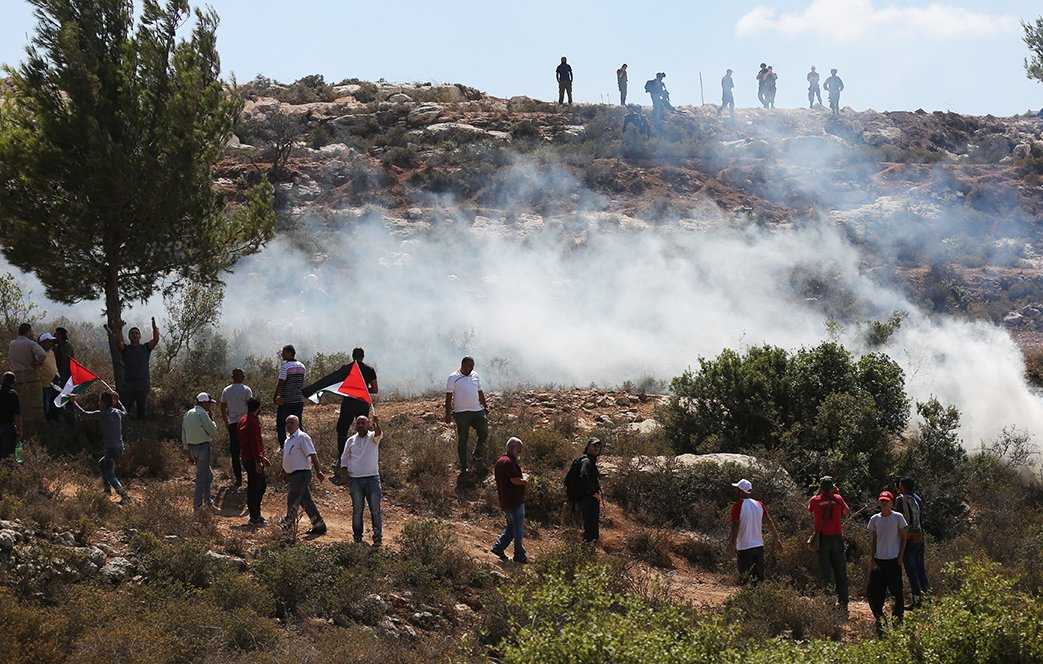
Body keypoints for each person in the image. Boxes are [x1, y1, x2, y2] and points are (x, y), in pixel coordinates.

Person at [303, 347, 378, 461]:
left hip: (348, 404)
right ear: (363, 356)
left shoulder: (346, 369)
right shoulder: (370, 370)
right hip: (362, 403)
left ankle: (342, 458)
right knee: (363, 430)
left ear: (352, 356)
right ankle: (363, 456)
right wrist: (363, 390)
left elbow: (335, 380)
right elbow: (375, 389)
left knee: (342, 431)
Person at [71, 392, 129, 501]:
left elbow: (84, 414)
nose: (98, 403)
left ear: (102, 403)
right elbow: (125, 412)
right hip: (119, 447)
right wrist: (119, 402)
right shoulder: (118, 412)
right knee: (102, 464)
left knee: (110, 473)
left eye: (100, 401)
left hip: (111, 449)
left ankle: (124, 495)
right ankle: (107, 490)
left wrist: (74, 402)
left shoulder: (102, 414)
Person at [867, 490, 907, 636]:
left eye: (886, 501)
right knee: (873, 593)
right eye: (882, 501)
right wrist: (872, 560)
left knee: (897, 594)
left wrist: (900, 557)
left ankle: (897, 626)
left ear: (891, 502)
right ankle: (881, 624)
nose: (884, 503)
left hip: (893, 561)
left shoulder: (898, 518)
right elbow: (874, 541)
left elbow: (904, 538)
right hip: (879, 561)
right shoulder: (875, 519)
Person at [339, 414, 383, 545]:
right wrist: (345, 474)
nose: (360, 425)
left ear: (368, 424)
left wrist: (376, 424)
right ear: (355, 425)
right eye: (358, 423)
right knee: (357, 511)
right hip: (356, 480)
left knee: (375, 510)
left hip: (372, 479)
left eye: (363, 423)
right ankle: (357, 539)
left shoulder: (373, 437)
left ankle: (377, 538)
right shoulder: (351, 440)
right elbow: (345, 458)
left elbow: (379, 434)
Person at [809, 476, 852, 611]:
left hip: (823, 540)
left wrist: (819, 493)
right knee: (841, 571)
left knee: (826, 572)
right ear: (832, 487)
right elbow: (847, 512)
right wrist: (837, 494)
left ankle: (828, 602)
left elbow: (809, 509)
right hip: (837, 538)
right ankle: (843, 601)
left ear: (821, 488)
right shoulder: (838, 499)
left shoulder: (816, 500)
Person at [728, 478, 783, 584]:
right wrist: (776, 538)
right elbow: (769, 522)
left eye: (738, 489)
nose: (736, 491)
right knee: (759, 579)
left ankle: (748, 600)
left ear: (742, 491)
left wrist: (733, 544)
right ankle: (759, 599)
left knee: (745, 579)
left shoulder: (738, 506)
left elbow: (735, 525)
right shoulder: (759, 504)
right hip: (758, 546)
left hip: (744, 547)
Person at [281, 414, 327, 535]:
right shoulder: (288, 439)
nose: (289, 425)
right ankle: (319, 525)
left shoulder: (302, 437)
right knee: (306, 501)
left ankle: (288, 525)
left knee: (293, 498)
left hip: (301, 474)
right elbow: (289, 457)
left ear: (297, 424)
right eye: (288, 423)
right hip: (293, 475)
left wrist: (318, 471)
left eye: (292, 423)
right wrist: (283, 471)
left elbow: (312, 454)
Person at [444, 356, 489, 472]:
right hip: (462, 413)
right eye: (469, 366)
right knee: (463, 439)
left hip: (477, 410)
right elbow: (448, 397)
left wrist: (485, 406)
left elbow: (480, 391)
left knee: (484, 432)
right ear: (463, 365)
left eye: (473, 366)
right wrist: (447, 413)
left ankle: (477, 454)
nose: (471, 369)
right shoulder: (453, 377)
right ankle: (464, 466)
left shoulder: (475, 375)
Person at [491, 437, 528, 563]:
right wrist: (526, 481)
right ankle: (519, 554)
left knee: (512, 527)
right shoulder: (509, 462)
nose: (520, 451)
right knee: (518, 528)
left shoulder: (500, 461)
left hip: (505, 501)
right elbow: (514, 480)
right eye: (519, 448)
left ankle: (499, 547)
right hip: (514, 501)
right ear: (512, 447)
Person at [895, 477, 929, 609]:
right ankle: (927, 598)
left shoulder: (901, 500)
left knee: (911, 571)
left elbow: (898, 520)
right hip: (919, 537)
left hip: (908, 539)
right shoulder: (918, 499)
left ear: (902, 486)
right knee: (921, 569)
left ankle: (917, 601)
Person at [115, 317, 160, 418]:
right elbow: (118, 343)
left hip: (143, 382)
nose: (134, 334)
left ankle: (141, 427)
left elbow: (156, 339)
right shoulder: (125, 349)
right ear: (129, 337)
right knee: (124, 407)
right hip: (128, 383)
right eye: (132, 333)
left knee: (141, 408)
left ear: (140, 336)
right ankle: (124, 426)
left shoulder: (145, 348)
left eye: (136, 333)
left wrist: (154, 328)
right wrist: (119, 329)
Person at [182, 392, 218, 511]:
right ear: (204, 402)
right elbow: (213, 431)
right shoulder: (202, 414)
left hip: (192, 448)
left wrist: (187, 451)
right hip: (203, 448)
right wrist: (212, 420)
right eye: (209, 403)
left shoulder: (188, 413)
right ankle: (197, 506)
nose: (210, 406)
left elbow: (184, 433)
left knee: (208, 475)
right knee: (201, 478)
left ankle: (208, 502)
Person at [8, 323, 45, 433]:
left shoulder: (12, 343)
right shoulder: (30, 343)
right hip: (31, 376)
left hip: (17, 377)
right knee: (35, 404)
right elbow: (42, 354)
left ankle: (22, 430)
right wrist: (39, 363)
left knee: (21, 403)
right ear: (28, 332)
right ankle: (35, 431)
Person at [239, 397, 270, 526]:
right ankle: (254, 516)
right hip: (252, 458)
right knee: (256, 487)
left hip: (247, 457)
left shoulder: (243, 420)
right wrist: (258, 460)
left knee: (259, 485)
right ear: (258, 408)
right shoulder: (253, 422)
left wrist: (261, 457)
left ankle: (256, 513)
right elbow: (255, 442)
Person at [220, 368, 253, 489]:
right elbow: (251, 406)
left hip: (233, 424)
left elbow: (222, 407)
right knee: (248, 450)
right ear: (241, 377)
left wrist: (225, 421)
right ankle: (250, 477)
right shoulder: (246, 390)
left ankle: (238, 479)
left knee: (235, 452)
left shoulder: (226, 390)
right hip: (245, 423)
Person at [273, 344, 306, 447]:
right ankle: (300, 444)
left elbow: (281, 383)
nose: (282, 354)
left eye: (284, 352)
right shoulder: (302, 366)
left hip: (286, 401)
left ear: (289, 353)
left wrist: (275, 396)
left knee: (281, 423)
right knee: (298, 423)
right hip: (298, 400)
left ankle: (283, 446)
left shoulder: (285, 367)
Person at [577, 437, 602, 543]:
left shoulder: (590, 461)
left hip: (588, 499)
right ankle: (587, 554)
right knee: (591, 529)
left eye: (598, 446)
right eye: (594, 446)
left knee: (592, 527)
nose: (597, 448)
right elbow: (583, 475)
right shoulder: (586, 460)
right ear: (588, 447)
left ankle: (588, 553)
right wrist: (593, 492)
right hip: (588, 499)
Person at [53, 327, 75, 426]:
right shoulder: (58, 346)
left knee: (68, 399)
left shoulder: (67, 346)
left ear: (61, 336)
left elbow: (63, 360)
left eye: (56, 335)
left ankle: (71, 422)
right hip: (59, 377)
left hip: (67, 377)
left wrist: (55, 350)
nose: (54, 337)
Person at [37, 332, 59, 423]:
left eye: (51, 341)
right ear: (43, 342)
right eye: (49, 341)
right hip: (43, 385)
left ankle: (53, 422)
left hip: (54, 384)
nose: (51, 343)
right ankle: (45, 424)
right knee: (46, 406)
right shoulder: (37, 352)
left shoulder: (52, 352)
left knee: (55, 405)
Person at [0, 372, 21, 460]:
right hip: (7, 426)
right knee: (8, 453)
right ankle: (7, 472)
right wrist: (19, 429)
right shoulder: (12, 394)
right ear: (14, 381)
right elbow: (16, 414)